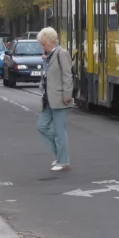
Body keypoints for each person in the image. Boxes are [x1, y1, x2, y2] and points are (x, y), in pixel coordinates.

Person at [36, 27, 74, 171]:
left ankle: (63, 161)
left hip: (59, 98)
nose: (42, 47)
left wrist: (67, 95)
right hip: (48, 99)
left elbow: (67, 75)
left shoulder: (61, 54)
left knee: (59, 131)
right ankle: (61, 155)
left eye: (44, 44)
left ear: (51, 42)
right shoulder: (49, 55)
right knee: (41, 126)